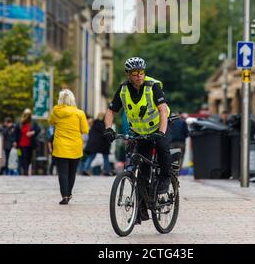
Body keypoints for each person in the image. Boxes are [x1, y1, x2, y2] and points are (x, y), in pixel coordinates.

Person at [104, 56, 172, 223]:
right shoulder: (123, 90)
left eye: (141, 72)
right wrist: (108, 129)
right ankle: (141, 210)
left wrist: (161, 132)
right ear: (128, 74)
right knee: (141, 168)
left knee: (163, 150)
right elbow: (111, 111)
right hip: (139, 132)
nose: (139, 75)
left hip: (158, 128)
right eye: (135, 73)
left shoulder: (152, 87)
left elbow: (163, 110)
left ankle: (165, 179)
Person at [48, 89, 89, 204]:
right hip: (75, 146)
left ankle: (65, 195)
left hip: (60, 145)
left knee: (62, 172)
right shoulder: (79, 113)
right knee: (72, 172)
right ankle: (69, 193)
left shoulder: (56, 112)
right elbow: (85, 130)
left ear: (60, 99)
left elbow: (51, 122)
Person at [13, 109, 40, 176]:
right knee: (22, 157)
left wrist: (32, 132)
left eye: (28, 114)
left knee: (29, 157)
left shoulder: (33, 122)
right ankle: (24, 170)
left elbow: (38, 129)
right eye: (26, 114)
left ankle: (26, 169)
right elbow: (15, 133)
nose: (27, 116)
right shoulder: (20, 123)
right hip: (21, 144)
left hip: (30, 144)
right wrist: (15, 141)